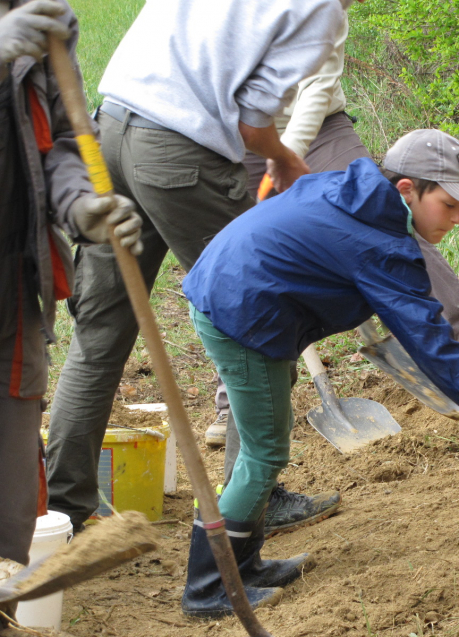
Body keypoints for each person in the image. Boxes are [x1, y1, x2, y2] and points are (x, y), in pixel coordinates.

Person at [181, 129, 459, 617]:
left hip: (240, 290)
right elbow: (429, 338)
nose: (457, 218)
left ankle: (246, 565)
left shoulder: (355, 195)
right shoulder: (375, 241)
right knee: (266, 451)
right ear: (406, 189)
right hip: (240, 311)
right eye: (450, 204)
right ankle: (208, 587)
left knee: (267, 439)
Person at [45, 0, 347, 539]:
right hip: (180, 154)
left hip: (110, 131)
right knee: (257, 321)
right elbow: (255, 127)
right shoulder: (320, 9)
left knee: (100, 335)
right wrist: (283, 156)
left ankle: (64, 509)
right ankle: (251, 499)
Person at [0, 0, 142, 626]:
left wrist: (82, 205)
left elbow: (57, 143)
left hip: (10, 282)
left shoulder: (48, 20)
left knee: (10, 502)